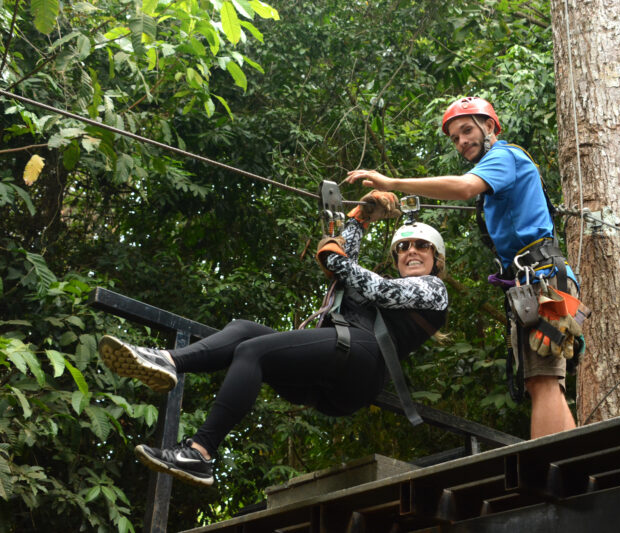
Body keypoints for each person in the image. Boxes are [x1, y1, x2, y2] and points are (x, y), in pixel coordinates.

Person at [98, 191, 448, 487]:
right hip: (333, 372)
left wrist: (334, 257)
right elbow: (348, 261)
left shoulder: (433, 289)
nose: (412, 251)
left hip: (363, 362)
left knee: (254, 351)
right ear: (396, 256)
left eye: (421, 246)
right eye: (404, 246)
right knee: (244, 329)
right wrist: (360, 218)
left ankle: (199, 453)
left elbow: (374, 285)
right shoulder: (381, 284)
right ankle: (169, 361)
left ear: (436, 259)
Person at [346, 96, 582, 440]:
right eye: (455, 138)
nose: (462, 142)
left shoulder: (504, 155)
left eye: (467, 131)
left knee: (542, 382)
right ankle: (571, 460)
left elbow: (464, 187)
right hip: (542, 279)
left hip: (542, 279)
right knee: (545, 383)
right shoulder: (500, 172)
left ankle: (548, 467)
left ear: (490, 127)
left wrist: (392, 183)